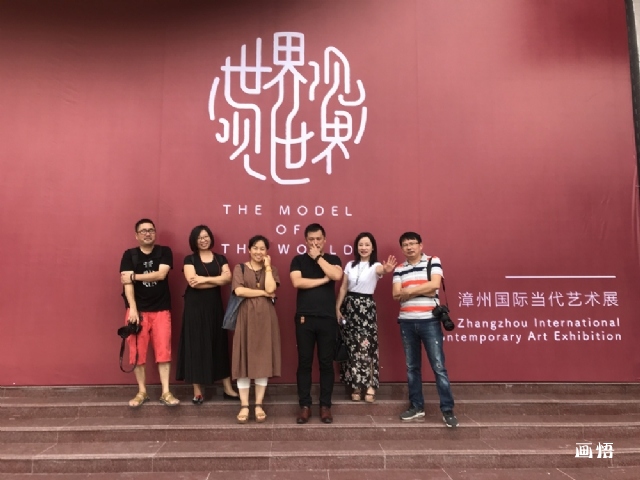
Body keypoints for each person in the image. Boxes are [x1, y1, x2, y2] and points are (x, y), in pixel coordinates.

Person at [392, 232, 458, 427]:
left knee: (438, 367)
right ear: (402, 248)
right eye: (406, 244)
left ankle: (447, 409)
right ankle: (416, 406)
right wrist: (423, 288)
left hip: (429, 321)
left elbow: (435, 285)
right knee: (412, 368)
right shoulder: (399, 268)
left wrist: (409, 291)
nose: (409, 247)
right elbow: (396, 295)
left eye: (413, 243)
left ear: (421, 245)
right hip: (406, 322)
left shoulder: (432, 261)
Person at [120, 218, 180, 407]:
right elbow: (126, 283)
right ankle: (142, 392)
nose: (148, 233)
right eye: (143, 231)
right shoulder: (129, 255)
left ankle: (166, 392)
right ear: (136, 235)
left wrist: (133, 276)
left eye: (151, 230)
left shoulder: (164, 252)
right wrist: (133, 309)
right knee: (137, 353)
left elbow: (161, 274)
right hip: (137, 312)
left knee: (164, 352)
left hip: (161, 310)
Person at [176, 225, 238, 404]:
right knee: (196, 345)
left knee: (219, 343)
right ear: (194, 241)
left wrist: (204, 279)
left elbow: (228, 279)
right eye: (199, 238)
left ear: (210, 238)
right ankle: (198, 391)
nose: (203, 240)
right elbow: (192, 282)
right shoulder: (190, 259)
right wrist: (215, 280)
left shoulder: (220, 258)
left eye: (206, 236)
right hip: (195, 307)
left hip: (214, 306)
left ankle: (227, 388)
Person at [290, 223, 343, 424]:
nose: (315, 243)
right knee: (304, 362)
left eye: (318, 239)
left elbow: (336, 275)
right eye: (311, 239)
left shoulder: (333, 259)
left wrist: (318, 258)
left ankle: (325, 406)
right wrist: (323, 280)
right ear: (305, 241)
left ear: (324, 240)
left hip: (327, 319)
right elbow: (297, 282)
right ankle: (305, 406)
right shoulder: (298, 260)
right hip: (304, 318)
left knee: (326, 363)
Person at [336, 232, 396, 403]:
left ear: (373, 248)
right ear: (356, 247)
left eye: (367, 245)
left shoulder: (375, 265)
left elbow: (381, 270)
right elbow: (343, 288)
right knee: (351, 348)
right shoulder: (350, 265)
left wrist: (386, 269)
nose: (363, 248)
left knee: (367, 347)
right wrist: (337, 308)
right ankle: (356, 386)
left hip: (366, 308)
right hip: (349, 307)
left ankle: (370, 386)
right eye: (360, 245)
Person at [231, 235, 281, 424]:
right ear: (249, 249)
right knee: (243, 359)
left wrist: (267, 267)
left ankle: (258, 404)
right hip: (245, 317)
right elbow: (239, 291)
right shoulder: (240, 268)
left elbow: (271, 287)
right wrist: (263, 293)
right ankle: (244, 405)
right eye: (255, 248)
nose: (258, 252)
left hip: (266, 318)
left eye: (262, 248)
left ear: (266, 252)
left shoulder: (272, 270)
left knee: (262, 359)